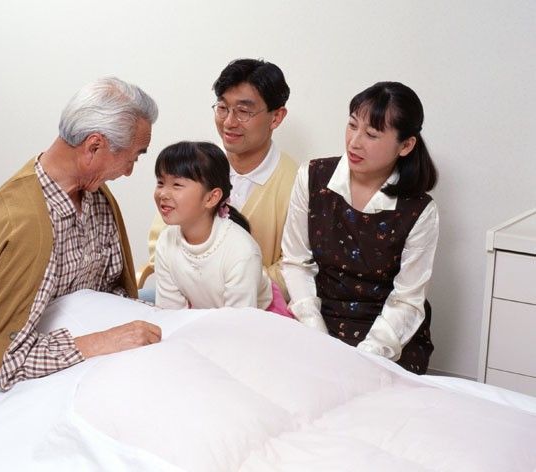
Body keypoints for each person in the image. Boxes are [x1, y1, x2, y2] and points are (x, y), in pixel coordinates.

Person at [0, 76, 162, 436]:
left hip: (102, 368)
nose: (130, 171)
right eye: (131, 158)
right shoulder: (22, 224)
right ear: (94, 146)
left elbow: (113, 289)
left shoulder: (99, 200)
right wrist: (102, 341)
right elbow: (3, 360)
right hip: (46, 381)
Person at [281, 81, 439, 374]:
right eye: (352, 125)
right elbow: (295, 262)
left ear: (406, 145)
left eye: (371, 134)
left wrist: (364, 356)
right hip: (317, 319)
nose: (354, 142)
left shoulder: (419, 210)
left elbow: (407, 299)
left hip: (387, 336)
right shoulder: (312, 177)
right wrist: (316, 334)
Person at [145, 58, 297, 301]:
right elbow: (161, 241)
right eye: (223, 107)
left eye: (243, 111)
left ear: (276, 117)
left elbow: (294, 268)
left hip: (253, 304)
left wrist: (229, 281)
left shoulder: (297, 184)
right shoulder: (196, 167)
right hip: (184, 296)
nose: (229, 122)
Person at [154, 141, 291, 317]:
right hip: (206, 319)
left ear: (212, 198)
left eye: (177, 185)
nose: (163, 194)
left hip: (258, 321)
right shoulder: (165, 242)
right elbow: (170, 314)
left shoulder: (242, 251)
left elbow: (238, 323)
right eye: (160, 183)